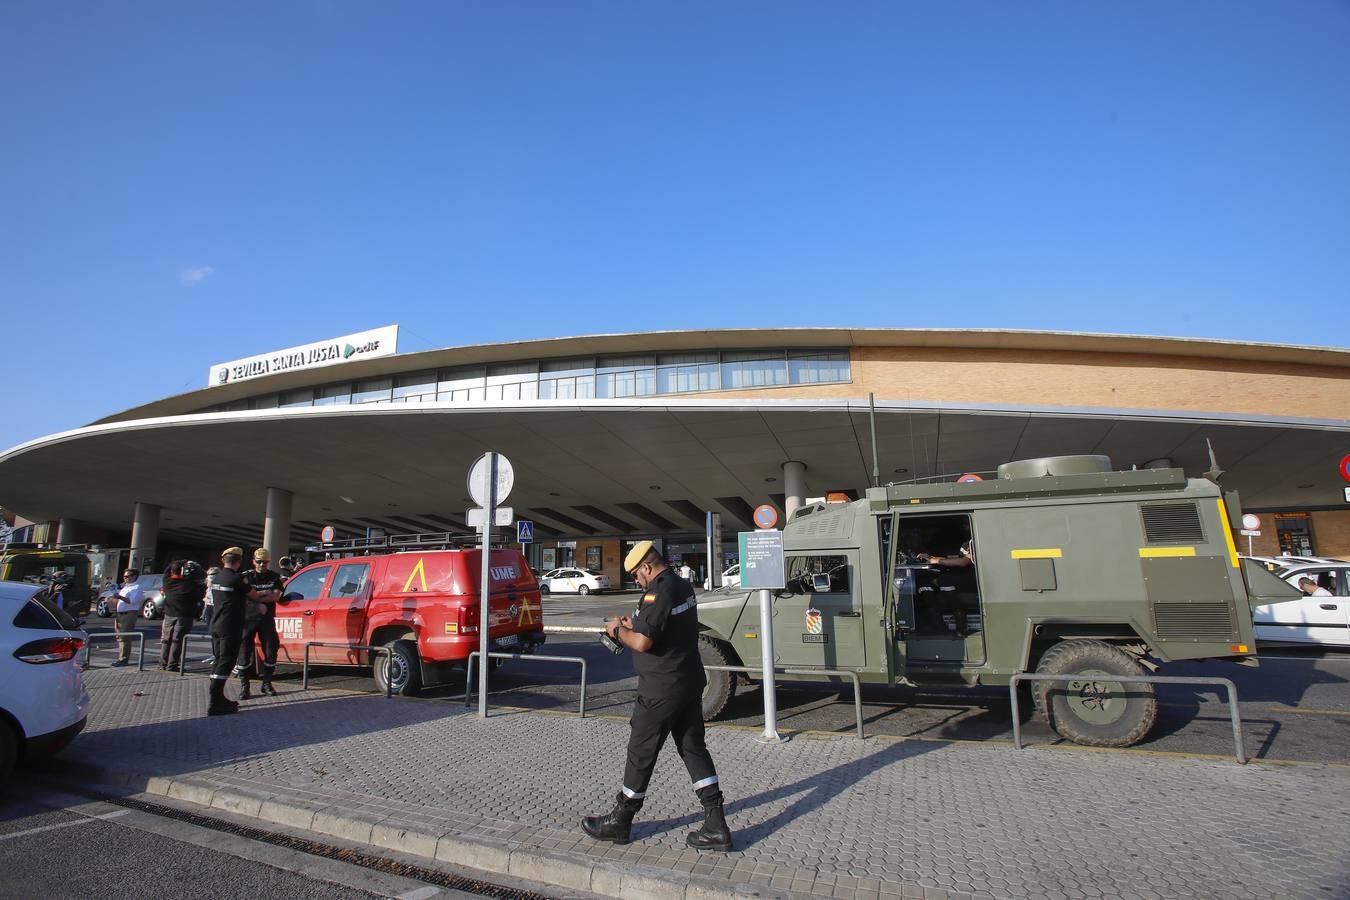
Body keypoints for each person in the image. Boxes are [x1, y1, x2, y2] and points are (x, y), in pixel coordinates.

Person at [581, 540, 732, 852]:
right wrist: (631, 622)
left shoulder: (659, 591)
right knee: (693, 749)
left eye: (637, 575)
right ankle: (715, 822)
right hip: (688, 683)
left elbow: (642, 643)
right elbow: (661, 625)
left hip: (661, 689)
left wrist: (616, 630)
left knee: (640, 753)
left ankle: (620, 820)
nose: (637, 581)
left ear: (647, 567)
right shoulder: (680, 585)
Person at [207, 547, 269, 715]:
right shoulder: (237, 579)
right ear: (239, 561)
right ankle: (216, 701)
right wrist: (265, 595)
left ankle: (216, 697)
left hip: (216, 624)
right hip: (230, 626)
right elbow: (254, 595)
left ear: (223, 560)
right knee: (226, 662)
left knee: (219, 661)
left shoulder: (217, 577)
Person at [234, 548, 284, 699]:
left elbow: (275, 597)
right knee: (244, 653)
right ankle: (245, 686)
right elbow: (242, 596)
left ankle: (267, 683)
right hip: (248, 620)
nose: (262, 564)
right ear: (253, 561)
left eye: (265, 562)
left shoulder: (274, 577)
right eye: (259, 561)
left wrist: (256, 596)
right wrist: (261, 599)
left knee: (271, 650)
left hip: (267, 620)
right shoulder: (245, 576)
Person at [159, 560, 205, 671]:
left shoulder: (167, 582)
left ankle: (163, 663)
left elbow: (166, 572)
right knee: (178, 640)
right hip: (185, 615)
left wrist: (179, 562)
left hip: (169, 614)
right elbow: (200, 594)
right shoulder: (189, 585)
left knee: (166, 639)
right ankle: (172, 664)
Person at [111, 568, 144, 667]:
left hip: (129, 614)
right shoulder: (125, 587)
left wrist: (120, 597)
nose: (125, 578)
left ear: (134, 577)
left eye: (127, 576)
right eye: (124, 576)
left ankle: (123, 659)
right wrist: (111, 599)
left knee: (124, 637)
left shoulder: (137, 587)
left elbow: (132, 601)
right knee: (119, 636)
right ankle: (121, 657)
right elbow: (119, 601)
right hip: (120, 614)